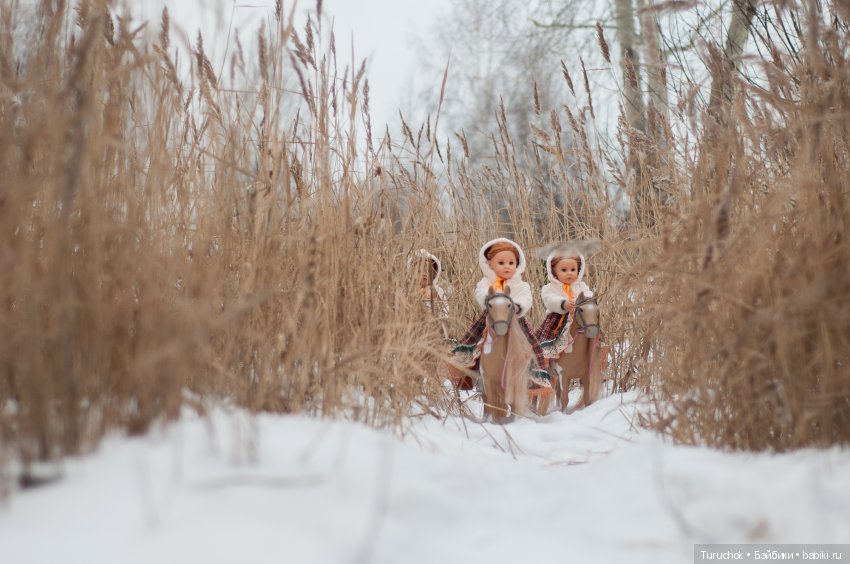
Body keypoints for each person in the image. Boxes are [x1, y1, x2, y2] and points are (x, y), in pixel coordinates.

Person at [450, 238, 550, 389]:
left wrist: (517, 306)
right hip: (491, 317)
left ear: (518, 265)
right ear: (489, 265)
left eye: (511, 263)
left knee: (532, 343)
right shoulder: (486, 282)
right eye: (501, 263)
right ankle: (469, 373)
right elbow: (481, 293)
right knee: (473, 341)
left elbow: (526, 297)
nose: (507, 267)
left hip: (516, 319)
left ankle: (536, 373)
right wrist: (490, 302)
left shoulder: (520, 284)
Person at [535, 250, 594, 360]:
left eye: (573, 270)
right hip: (558, 319)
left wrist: (583, 301)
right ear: (554, 272)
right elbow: (549, 299)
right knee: (553, 337)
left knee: (592, 327)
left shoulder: (581, 286)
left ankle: (592, 351)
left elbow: (588, 295)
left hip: (579, 317)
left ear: (579, 271)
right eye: (564, 270)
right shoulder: (549, 288)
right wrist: (562, 303)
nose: (569, 273)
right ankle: (549, 358)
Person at [411, 249, 450, 332]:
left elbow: (445, 312)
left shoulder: (439, 291)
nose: (424, 273)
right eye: (420, 270)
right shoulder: (409, 291)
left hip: (434, 328)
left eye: (428, 271)